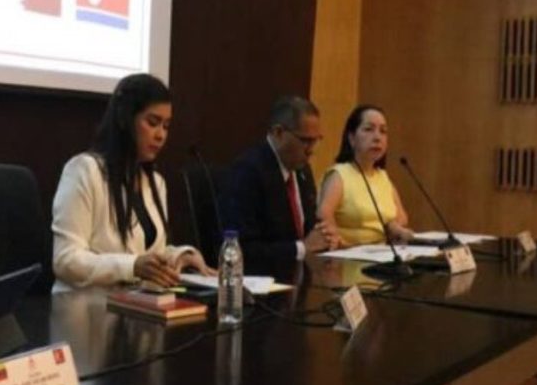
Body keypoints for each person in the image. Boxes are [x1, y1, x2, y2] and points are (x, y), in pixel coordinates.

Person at [51, 74, 213, 289]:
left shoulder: (156, 182)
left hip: (136, 303)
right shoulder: (85, 171)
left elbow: (144, 252)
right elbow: (65, 260)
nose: (161, 135)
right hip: (84, 304)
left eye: (166, 126)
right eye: (152, 123)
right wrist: (132, 266)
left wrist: (179, 256)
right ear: (124, 120)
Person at [216, 96, 339, 268]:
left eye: (316, 140)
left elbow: (309, 231)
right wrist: (301, 248)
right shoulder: (248, 172)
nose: (312, 150)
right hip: (261, 278)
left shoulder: (302, 170)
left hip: (298, 274)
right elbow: (242, 249)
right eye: (305, 141)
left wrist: (325, 237)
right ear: (278, 133)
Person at [317, 104, 414, 246]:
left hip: (382, 253)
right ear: (351, 138)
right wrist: (337, 241)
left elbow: (402, 217)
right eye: (369, 129)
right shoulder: (340, 175)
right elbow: (323, 215)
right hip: (348, 253)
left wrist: (395, 228)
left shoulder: (382, 177)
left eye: (383, 131)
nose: (377, 137)